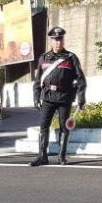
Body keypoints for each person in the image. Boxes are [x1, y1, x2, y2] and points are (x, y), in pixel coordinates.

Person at [31, 26, 86, 166]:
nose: (58, 42)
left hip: (64, 97)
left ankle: (61, 157)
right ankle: (42, 156)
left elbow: (81, 80)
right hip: (48, 96)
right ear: (51, 41)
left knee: (64, 127)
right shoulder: (44, 58)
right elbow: (38, 80)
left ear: (63, 40)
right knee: (44, 126)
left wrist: (81, 98)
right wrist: (36, 97)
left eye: (60, 39)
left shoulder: (71, 58)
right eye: (55, 39)